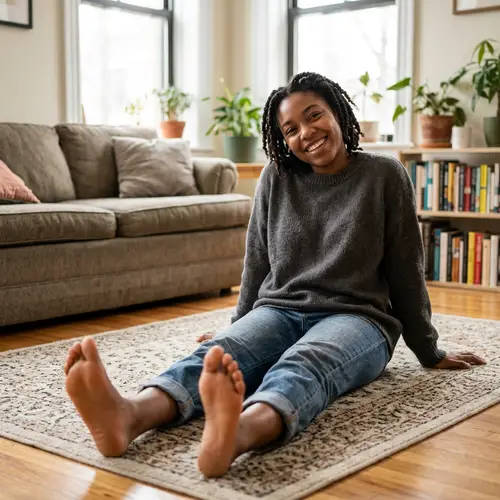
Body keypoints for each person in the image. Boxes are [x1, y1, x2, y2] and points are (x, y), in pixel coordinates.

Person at [64, 72, 486, 478]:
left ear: (338, 111)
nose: (305, 132)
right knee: (221, 356)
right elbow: (257, 261)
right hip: (280, 309)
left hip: (358, 318)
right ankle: (128, 416)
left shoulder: (384, 174)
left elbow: (405, 269)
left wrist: (428, 349)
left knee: (305, 364)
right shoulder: (276, 178)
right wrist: (236, 330)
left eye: (314, 115)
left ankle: (236, 435)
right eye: (290, 129)